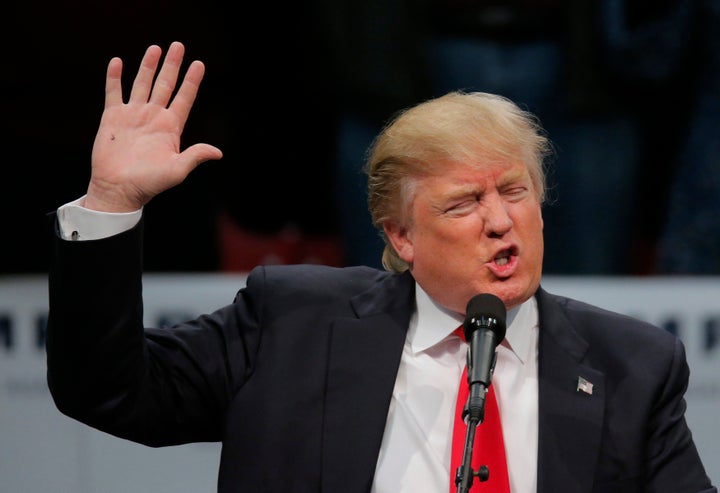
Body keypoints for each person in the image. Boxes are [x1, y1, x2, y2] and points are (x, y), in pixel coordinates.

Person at [45, 41, 716, 493]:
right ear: (402, 234)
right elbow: (106, 389)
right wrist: (112, 203)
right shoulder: (292, 323)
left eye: (515, 191)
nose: (499, 219)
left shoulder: (633, 367)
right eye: (464, 202)